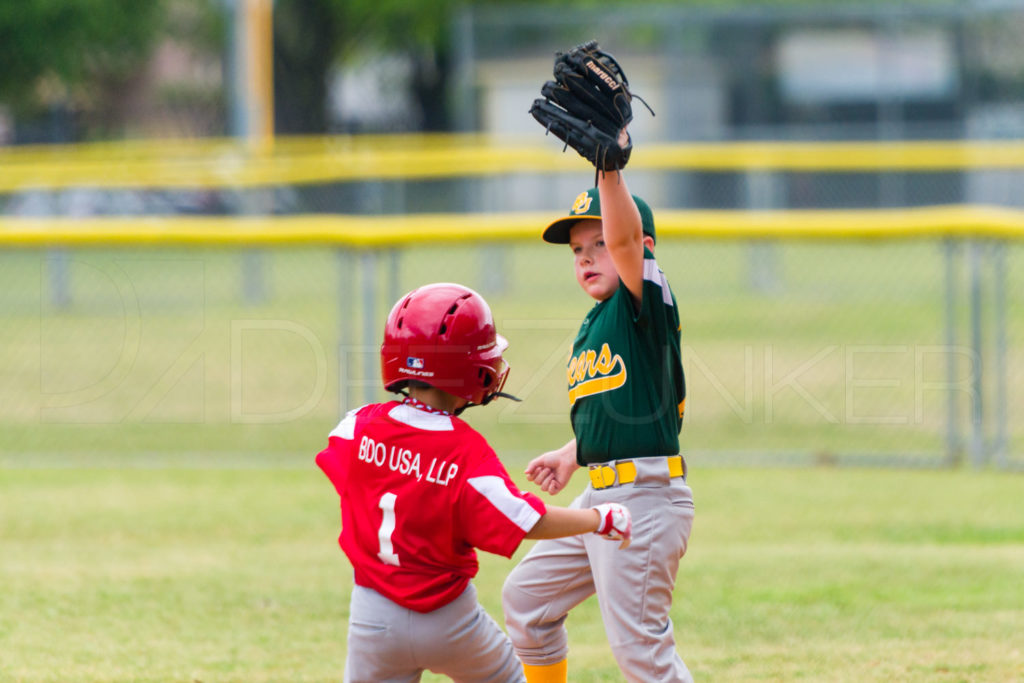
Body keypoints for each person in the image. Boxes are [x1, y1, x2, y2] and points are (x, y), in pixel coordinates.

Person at [315, 282, 633, 683]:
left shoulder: (353, 428)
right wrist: (598, 519)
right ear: (471, 369)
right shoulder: (466, 452)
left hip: (372, 618)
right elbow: (525, 519)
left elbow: (346, 467)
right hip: (449, 620)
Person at [501, 144, 695, 682]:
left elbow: (627, 239)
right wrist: (573, 453)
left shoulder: (645, 303)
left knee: (641, 654)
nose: (586, 256)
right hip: (603, 497)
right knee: (527, 601)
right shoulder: (598, 322)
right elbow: (628, 413)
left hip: (645, 499)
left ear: (641, 248)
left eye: (600, 244)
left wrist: (608, 166)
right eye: (577, 249)